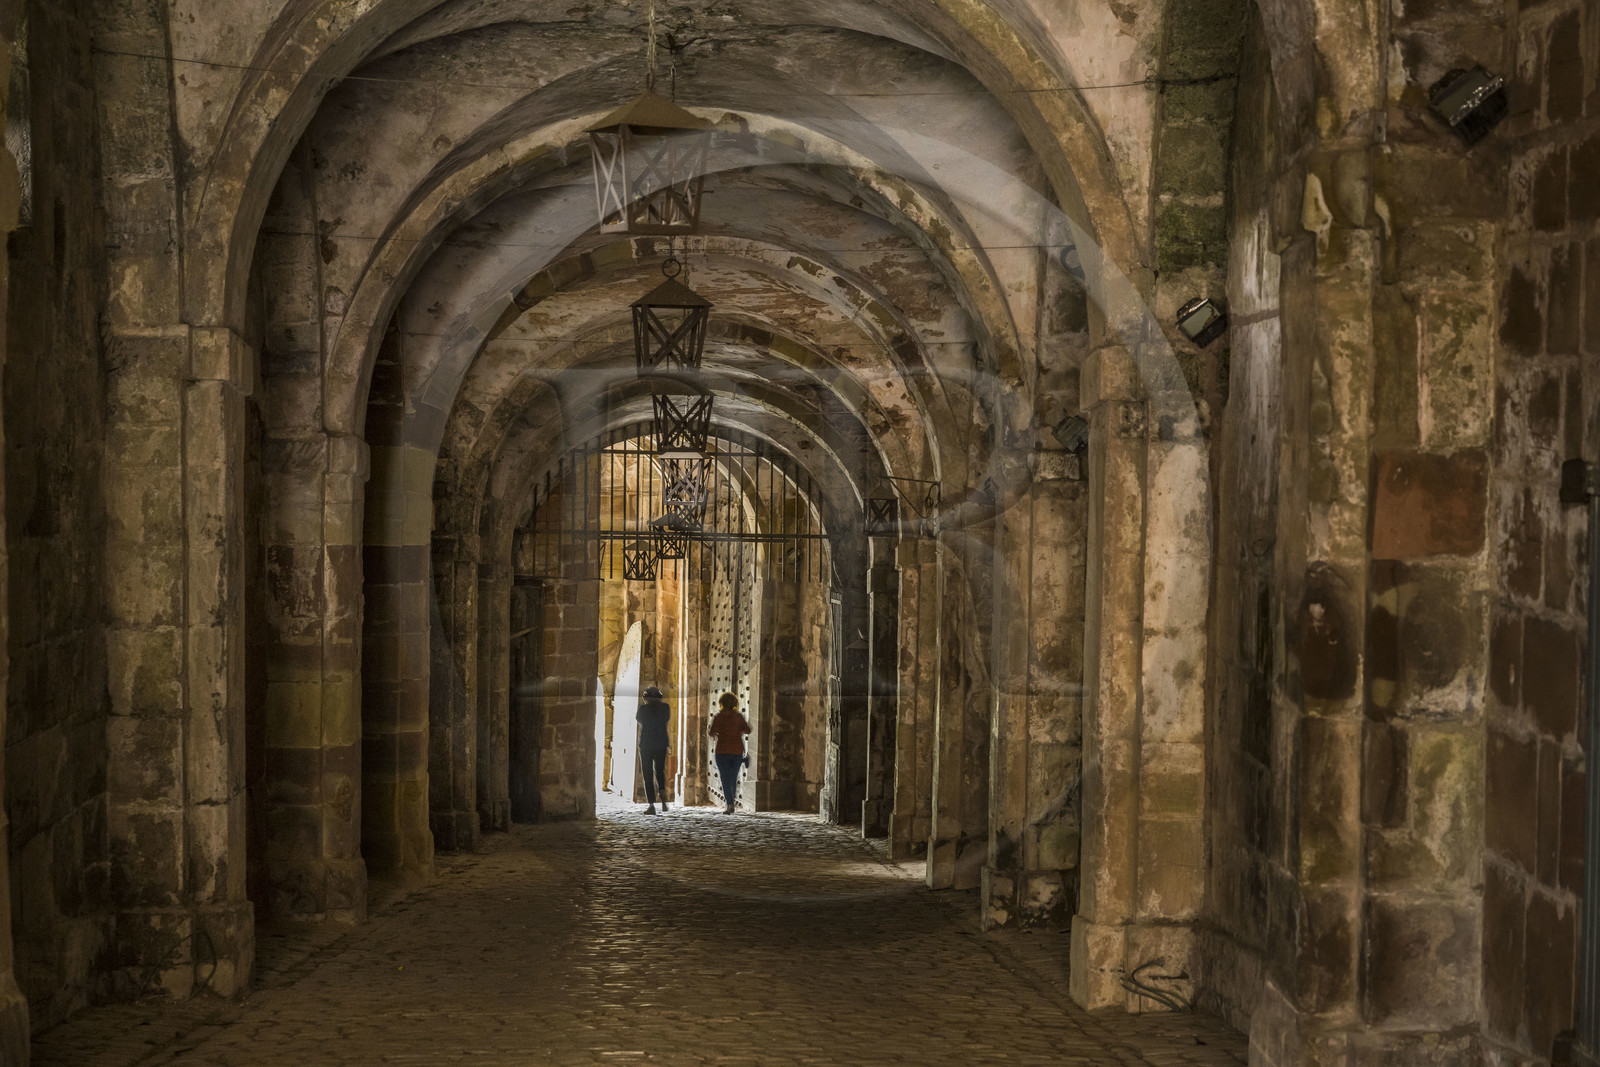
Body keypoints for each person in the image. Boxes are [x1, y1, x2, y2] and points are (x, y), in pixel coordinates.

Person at [707, 692, 751, 814]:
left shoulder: (718, 717)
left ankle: (730, 804)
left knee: (725, 778)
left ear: (721, 703)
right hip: (736, 751)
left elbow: (711, 733)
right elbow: (747, 730)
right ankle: (731, 801)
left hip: (722, 751)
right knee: (733, 778)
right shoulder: (738, 717)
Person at [637, 685, 671, 815]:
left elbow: (639, 720)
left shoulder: (643, 709)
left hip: (646, 743)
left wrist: (645, 706)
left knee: (647, 773)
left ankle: (651, 804)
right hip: (661, 743)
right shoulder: (665, 707)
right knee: (659, 770)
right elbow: (666, 719)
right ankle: (662, 791)